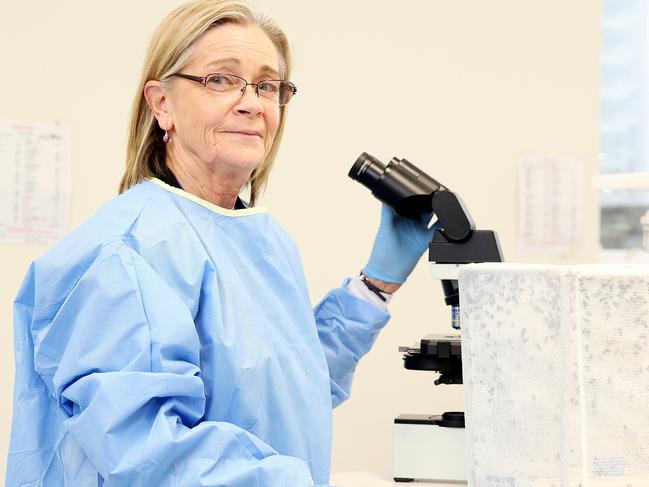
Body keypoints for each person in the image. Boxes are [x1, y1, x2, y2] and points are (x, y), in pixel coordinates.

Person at [6, 1, 436, 486]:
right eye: (221, 80)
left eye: (267, 85)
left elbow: (287, 388)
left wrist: (374, 286)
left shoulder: (265, 242)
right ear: (161, 103)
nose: (252, 102)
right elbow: (146, 451)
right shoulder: (124, 254)